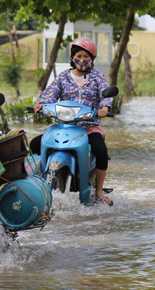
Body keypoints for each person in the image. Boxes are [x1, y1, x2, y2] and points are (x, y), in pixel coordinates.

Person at [31, 37, 114, 206]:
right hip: (63, 127)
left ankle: (98, 191)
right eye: (78, 55)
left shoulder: (98, 77)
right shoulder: (63, 77)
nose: (81, 60)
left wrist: (104, 108)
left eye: (85, 56)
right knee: (34, 144)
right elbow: (50, 94)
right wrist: (41, 104)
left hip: (89, 127)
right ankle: (35, 185)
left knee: (101, 150)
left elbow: (107, 94)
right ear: (72, 57)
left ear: (92, 59)